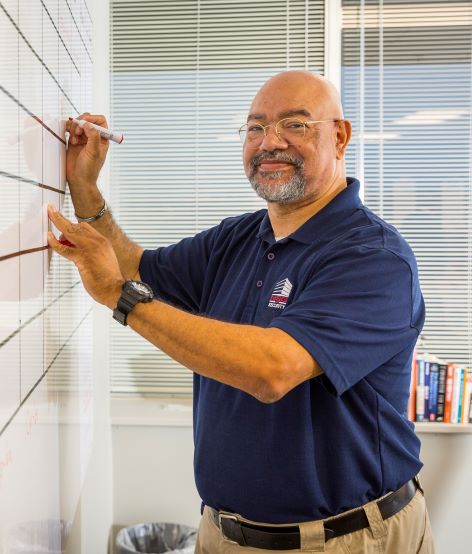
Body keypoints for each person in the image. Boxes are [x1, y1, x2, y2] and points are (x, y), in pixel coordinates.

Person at [48, 71, 435, 553]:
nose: (270, 143)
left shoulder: (373, 257)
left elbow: (272, 370)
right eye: (255, 128)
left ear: (339, 136)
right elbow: (134, 266)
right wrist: (85, 187)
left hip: (345, 540)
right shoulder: (238, 239)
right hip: (224, 534)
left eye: (294, 124)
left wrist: (120, 298)